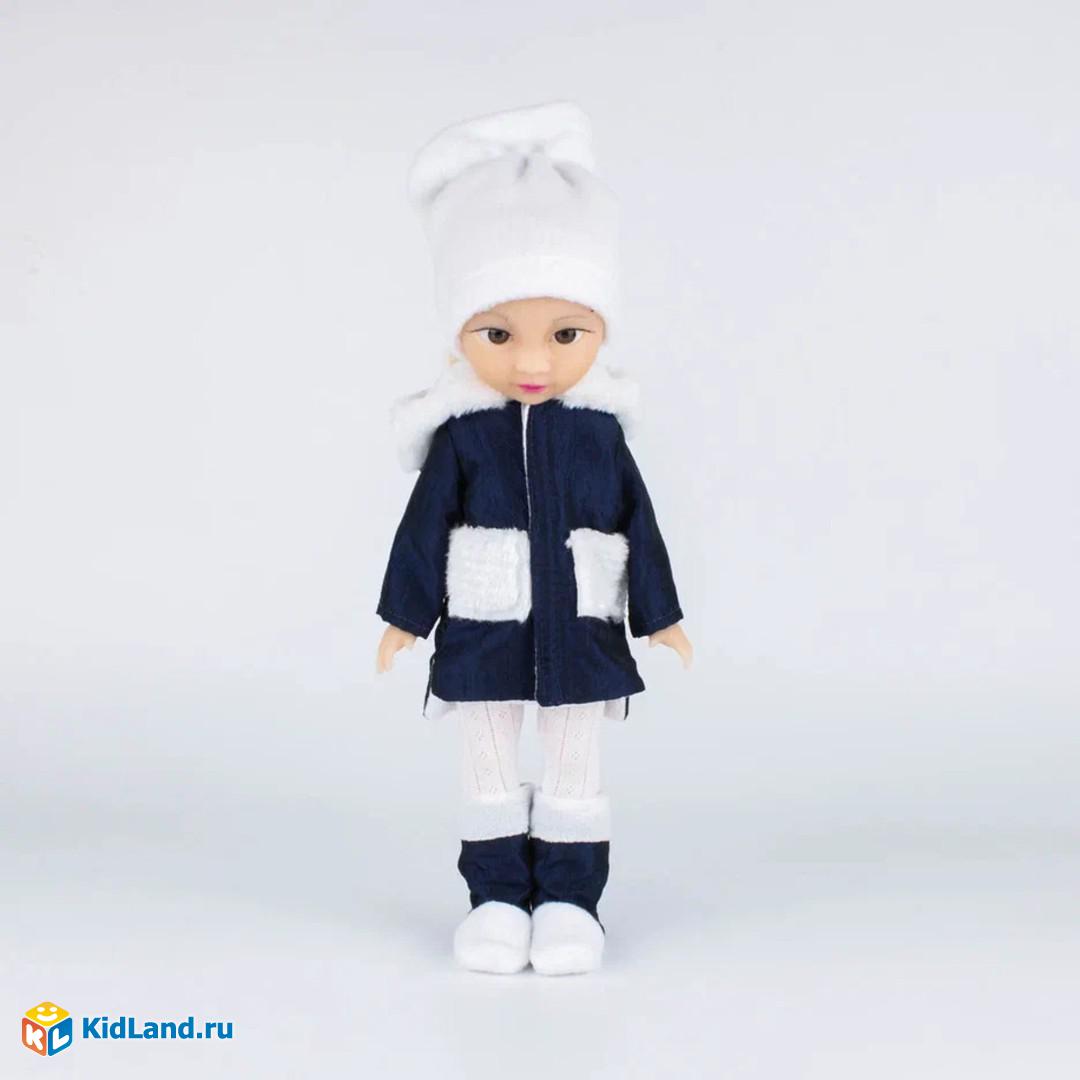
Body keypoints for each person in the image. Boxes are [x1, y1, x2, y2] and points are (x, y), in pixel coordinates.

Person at [375, 101, 692, 975]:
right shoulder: (462, 434)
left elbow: (638, 520)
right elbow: (424, 525)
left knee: (574, 769)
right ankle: (494, 902)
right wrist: (405, 617)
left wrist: (659, 615)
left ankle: (568, 903)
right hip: (483, 632)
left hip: (582, 633)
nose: (533, 361)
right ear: (459, 333)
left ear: (601, 331)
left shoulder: (599, 433)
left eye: (565, 334)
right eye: (497, 333)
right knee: (484, 764)